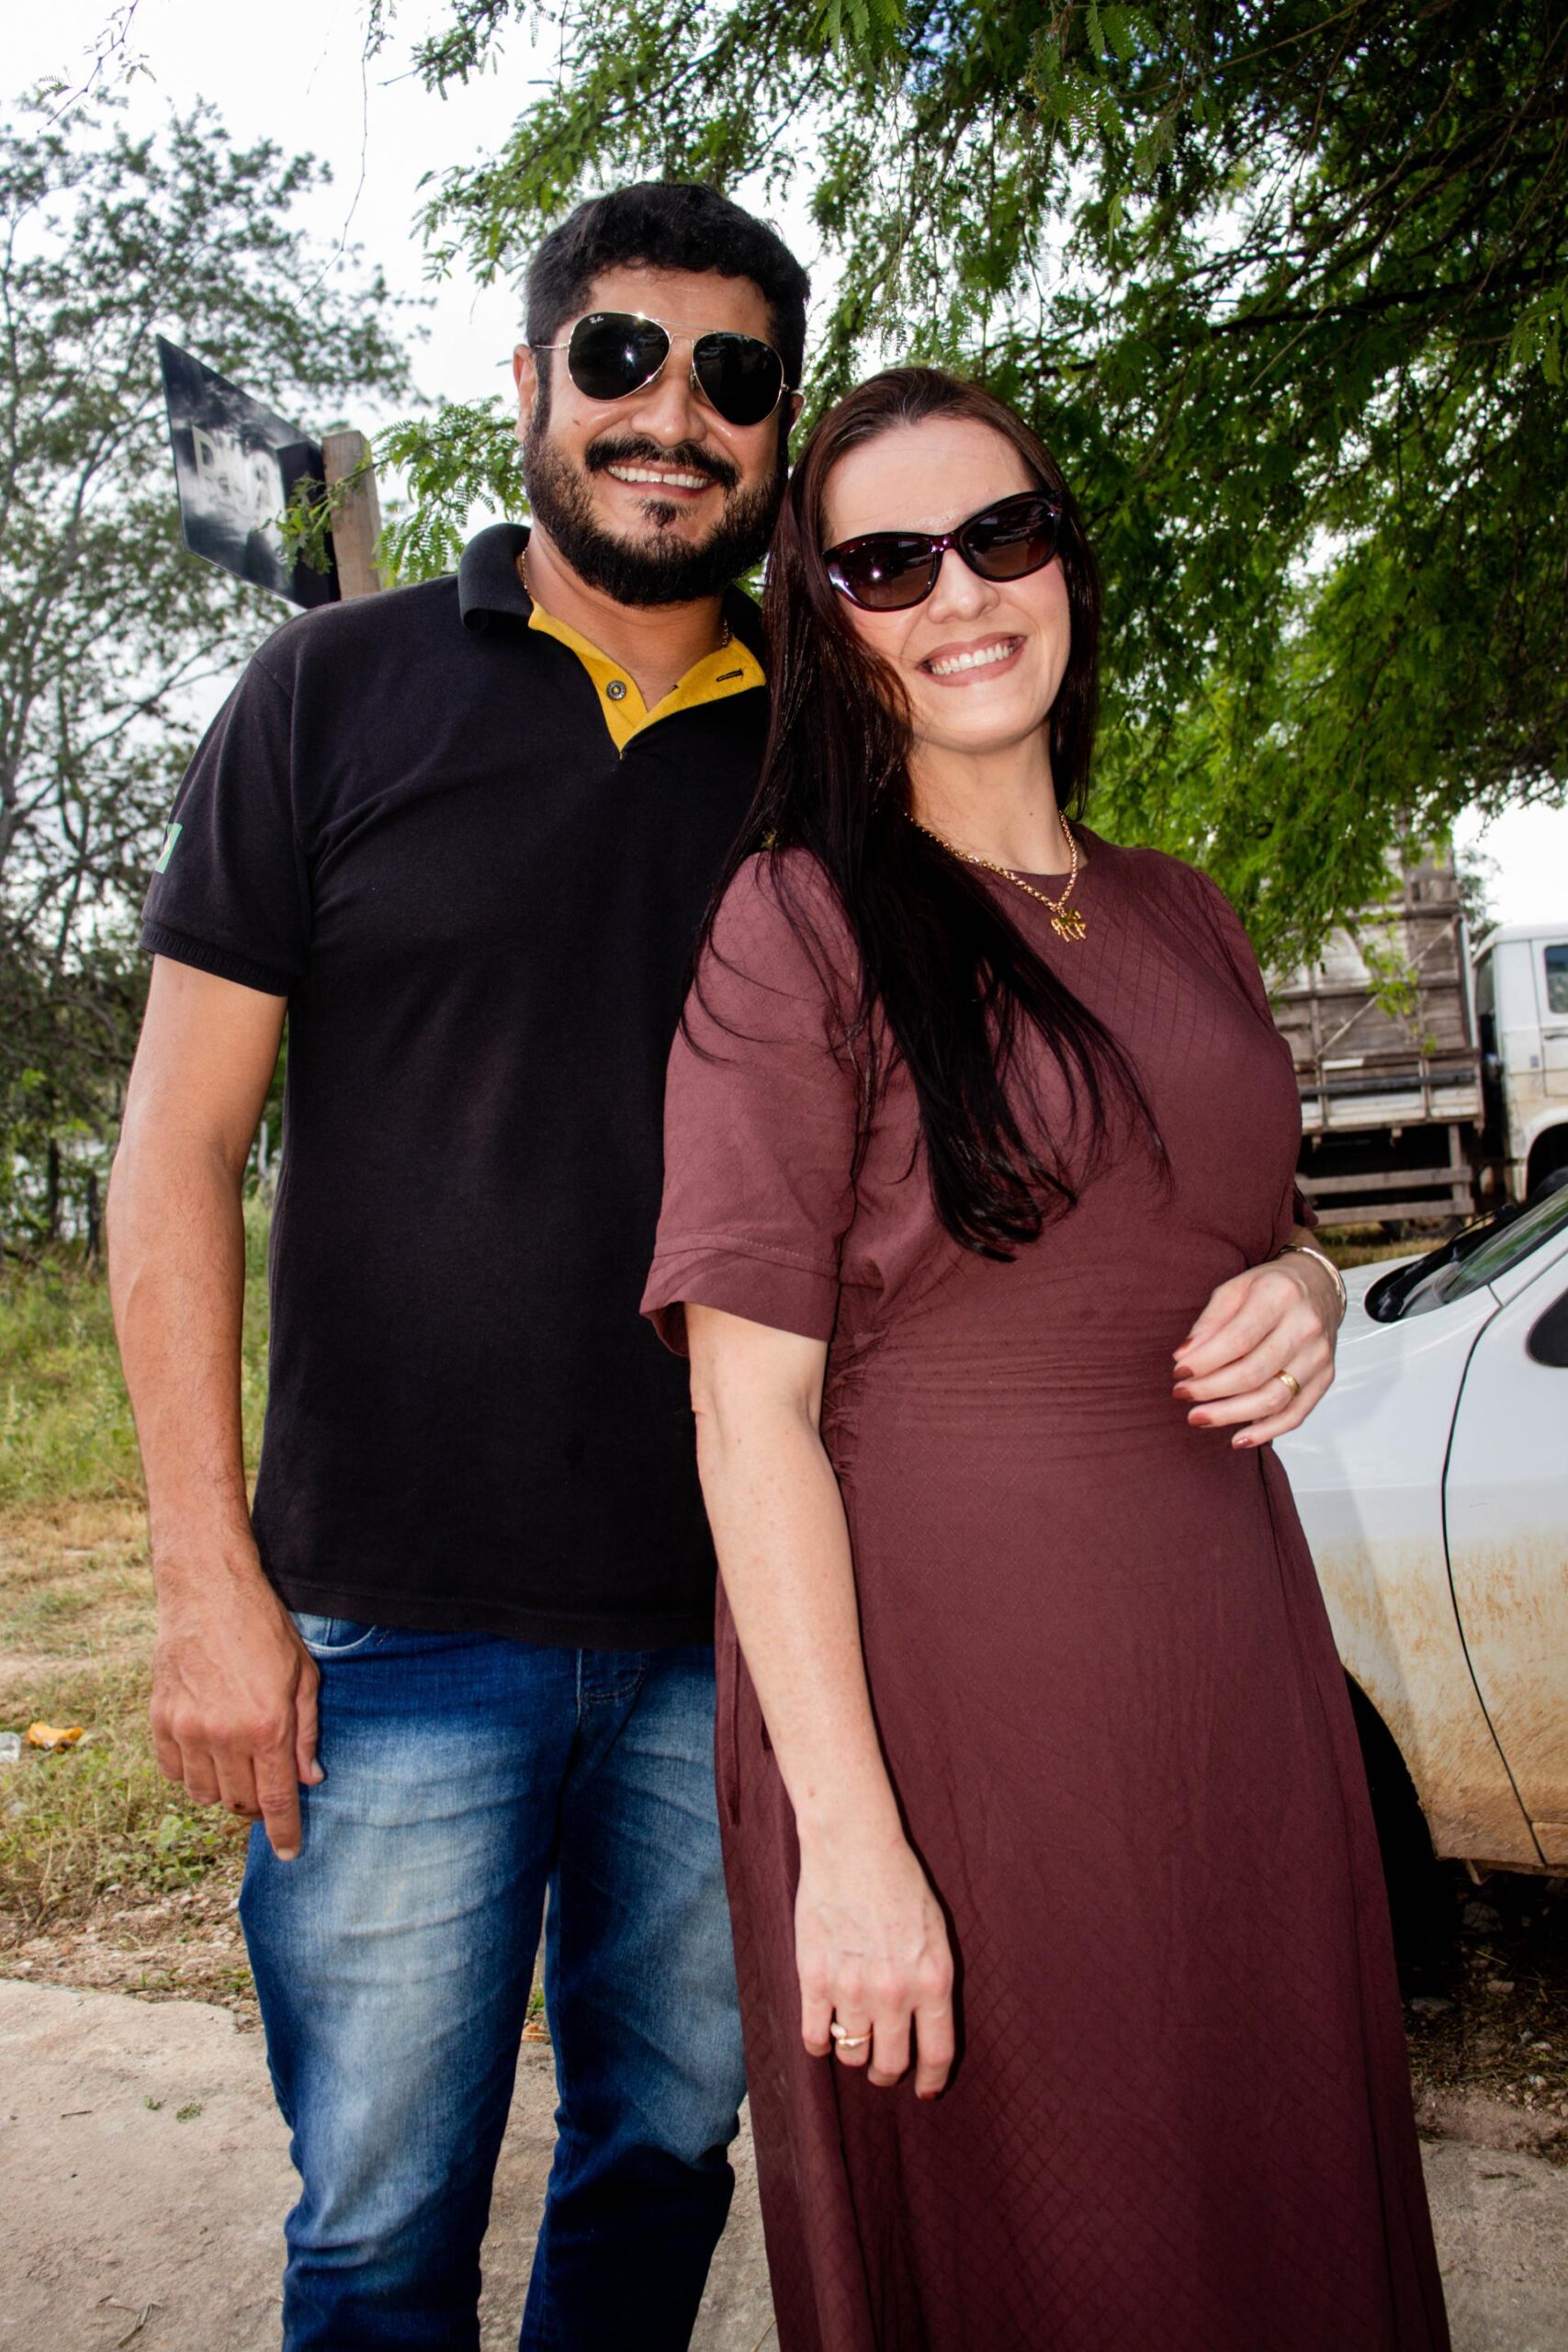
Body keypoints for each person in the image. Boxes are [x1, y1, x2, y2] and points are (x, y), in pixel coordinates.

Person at [642, 367, 1450, 2349]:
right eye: (886, 563)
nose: (960, 592)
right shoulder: (796, 922)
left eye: (999, 534)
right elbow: (746, 1409)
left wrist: (1308, 1279)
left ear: (1064, 560)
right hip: (948, 1711)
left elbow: (1222, 1212)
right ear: (826, 620)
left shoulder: (1183, 909)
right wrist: (852, 1846)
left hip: (1228, 1679)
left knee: (1267, 2194)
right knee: (1058, 2242)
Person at [107, 182, 807, 2351]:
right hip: (387, 1623)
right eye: (619, 356)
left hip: (739, 1620)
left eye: (731, 376)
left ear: (774, 431)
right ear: (527, 382)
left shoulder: (834, 745)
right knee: (381, 2221)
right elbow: (173, 1150)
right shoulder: (327, 691)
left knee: (660, 2158)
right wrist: (206, 1578)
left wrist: (1261, 1253)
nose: (670, 413)